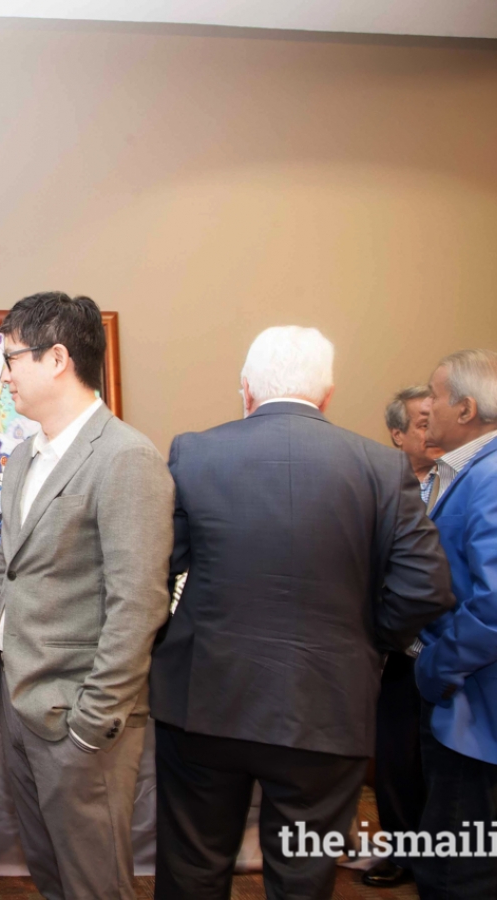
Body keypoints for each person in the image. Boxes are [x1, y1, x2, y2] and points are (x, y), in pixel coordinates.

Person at [150, 326, 452, 900]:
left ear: (245, 389)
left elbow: (154, 569)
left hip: (206, 697)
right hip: (327, 701)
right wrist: (367, 642)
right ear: (328, 394)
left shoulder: (195, 451)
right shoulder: (380, 468)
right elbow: (425, 588)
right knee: (303, 877)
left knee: (192, 867)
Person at [0, 292, 175, 900]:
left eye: (12, 359)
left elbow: (139, 605)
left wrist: (91, 724)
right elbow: (7, 576)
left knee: (96, 886)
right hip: (22, 708)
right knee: (54, 878)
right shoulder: (23, 458)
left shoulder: (125, 457)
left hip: (81, 723)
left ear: (57, 358)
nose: (4, 376)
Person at [413, 348, 497, 900]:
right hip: (467, 701)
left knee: (459, 869)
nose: (427, 405)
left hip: (475, 706)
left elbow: (494, 604)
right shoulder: (467, 472)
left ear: (465, 409)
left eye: (435, 395)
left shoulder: (489, 478)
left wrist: (435, 668)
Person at [362, 385, 443, 889]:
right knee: (394, 759)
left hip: (448, 649)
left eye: (434, 418)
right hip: (394, 649)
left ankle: (445, 857)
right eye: (420, 422)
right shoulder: (377, 487)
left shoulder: (459, 481)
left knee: (443, 762)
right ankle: (405, 853)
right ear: (397, 434)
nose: (431, 430)